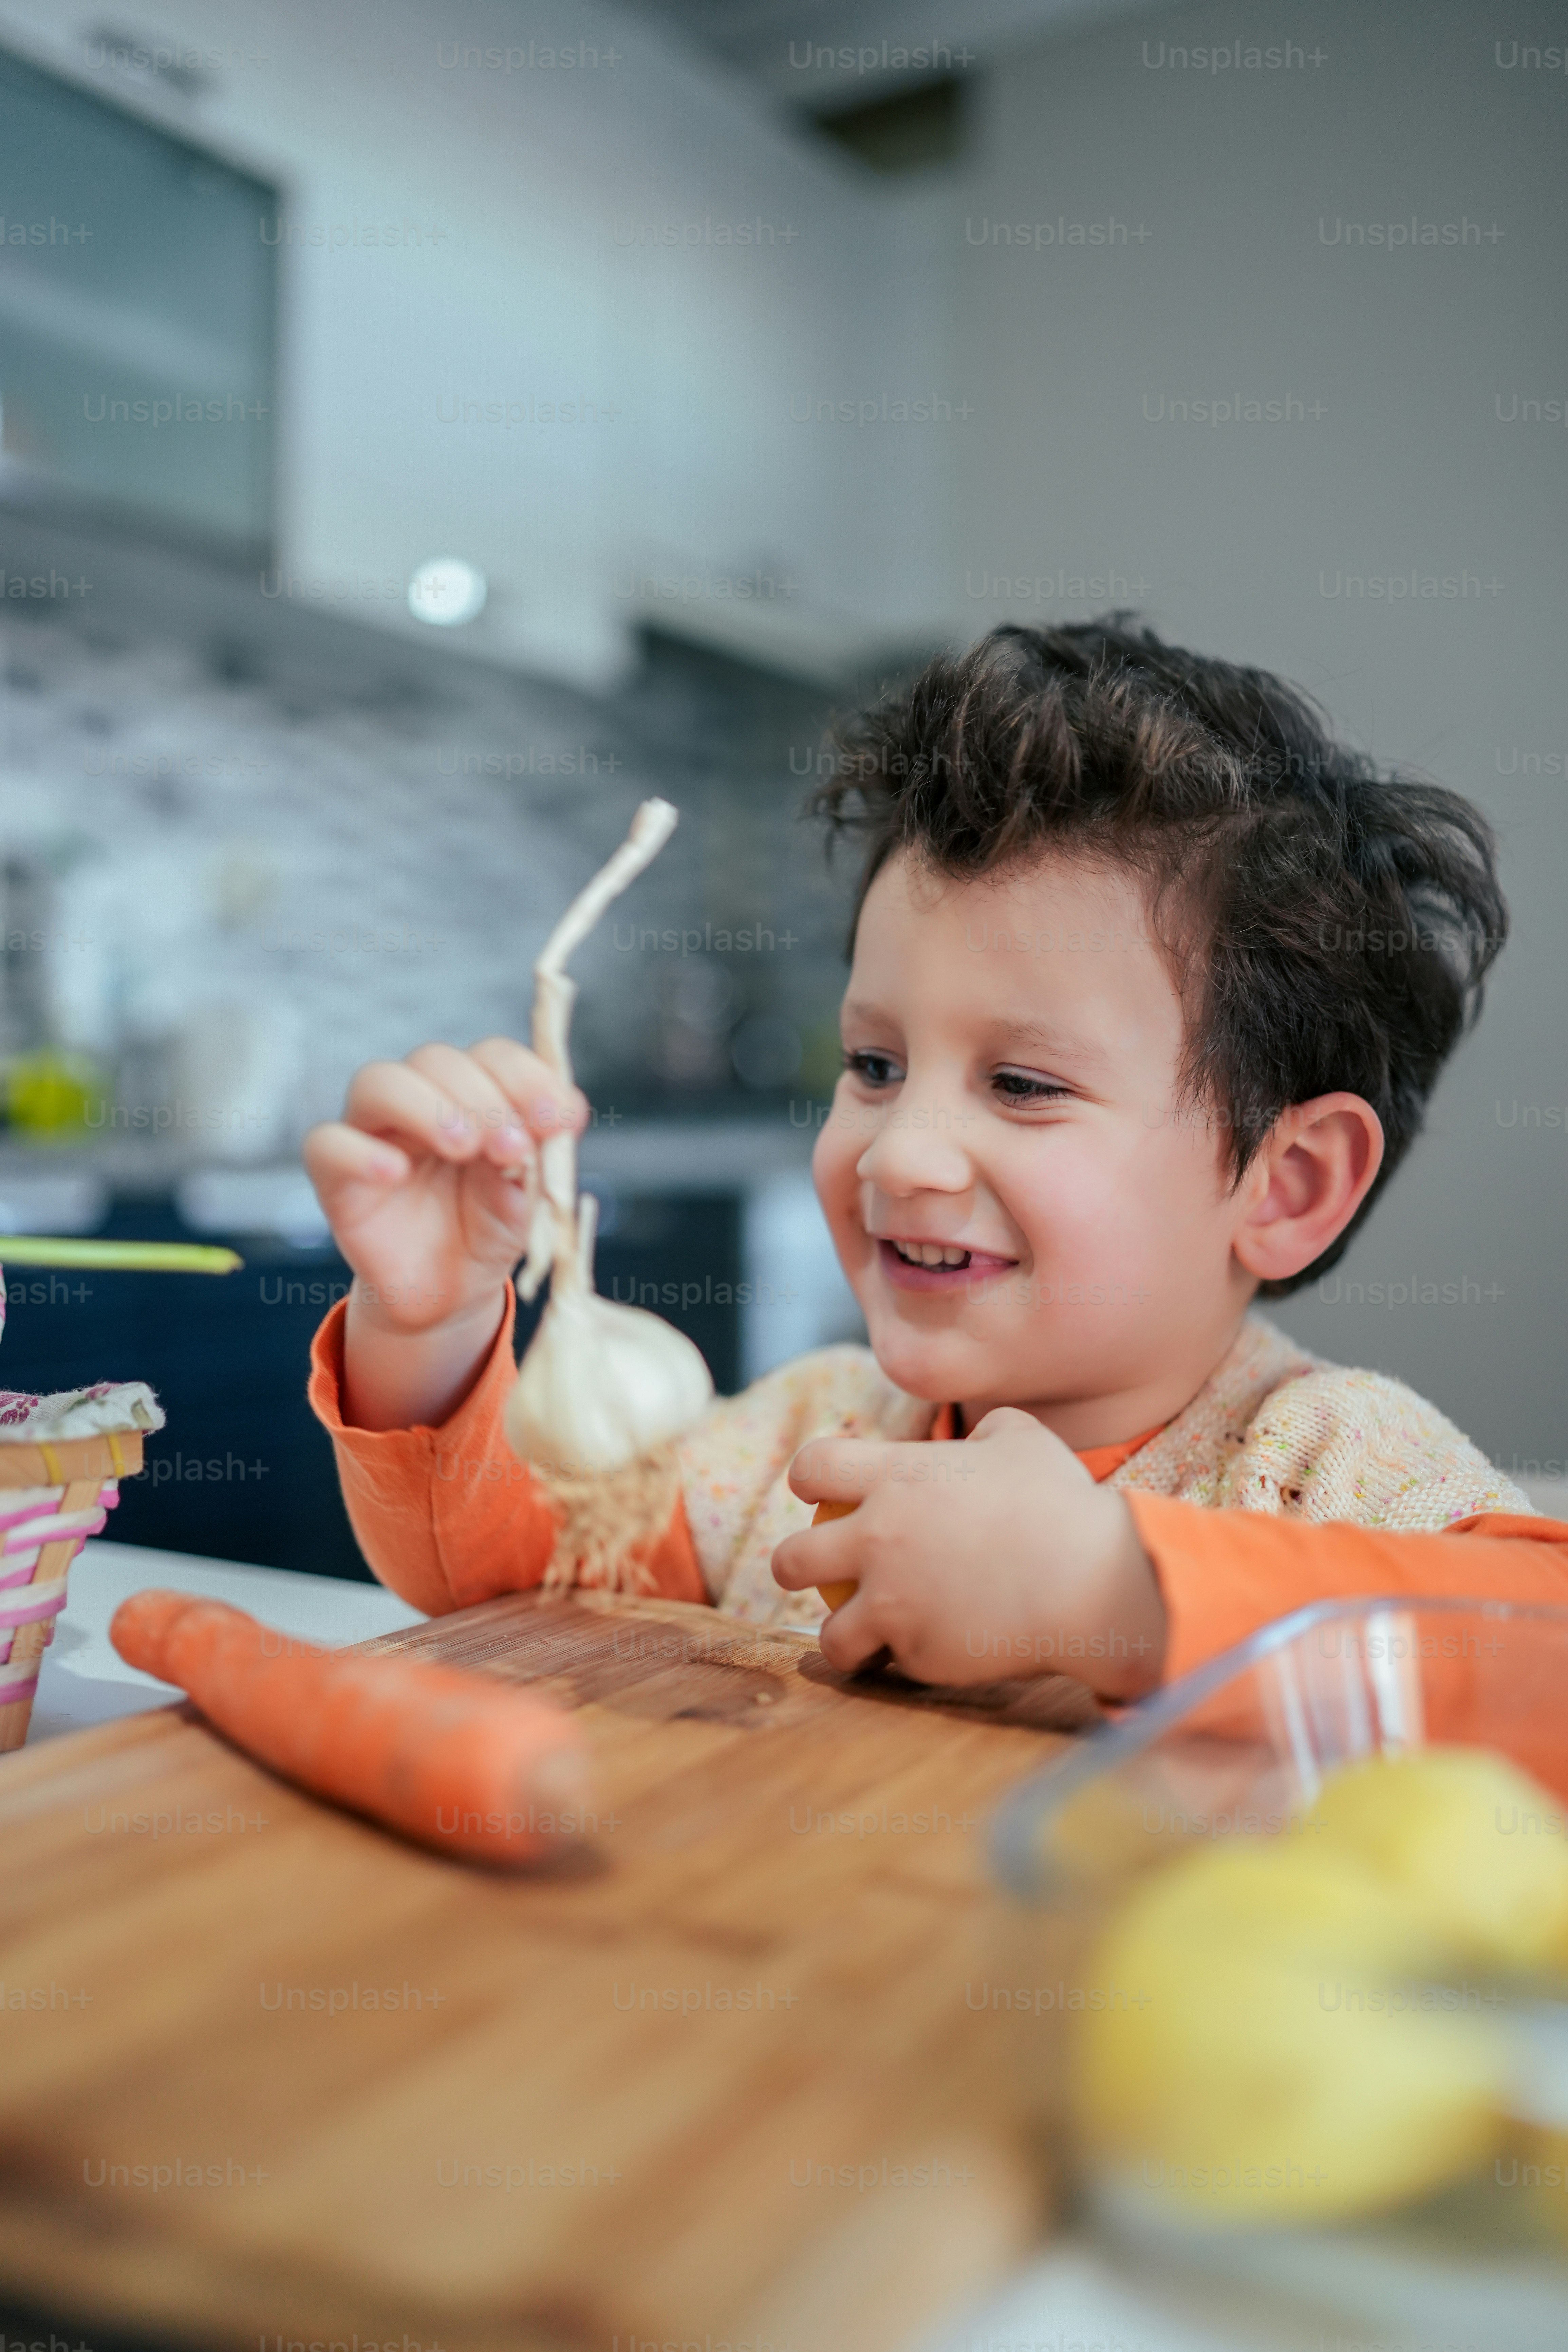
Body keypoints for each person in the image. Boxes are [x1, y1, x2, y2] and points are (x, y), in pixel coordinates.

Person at [302, 620, 1568, 1704]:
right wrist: (433, 1324)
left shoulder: (1326, 1463)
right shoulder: (806, 1439)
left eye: (1021, 1084)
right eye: (873, 1065)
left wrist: (1111, 1593)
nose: (900, 1150)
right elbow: (516, 1598)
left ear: (1284, 1186)